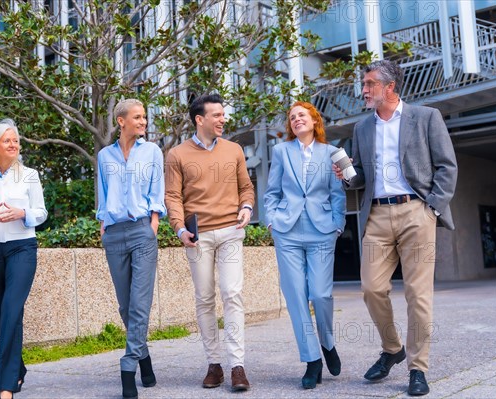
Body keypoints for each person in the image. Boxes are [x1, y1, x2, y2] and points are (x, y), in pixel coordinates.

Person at [334, 60, 458, 396]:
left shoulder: (425, 117)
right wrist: (345, 174)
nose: (364, 90)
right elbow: (359, 176)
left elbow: (447, 166)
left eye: (370, 83)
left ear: (390, 86)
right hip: (376, 214)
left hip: (416, 211)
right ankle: (393, 349)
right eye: (364, 84)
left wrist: (431, 207)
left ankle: (418, 369)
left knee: (419, 294)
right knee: (371, 288)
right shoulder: (362, 128)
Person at [165, 94, 254, 391]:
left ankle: (237, 365)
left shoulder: (234, 150)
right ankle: (214, 364)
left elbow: (246, 188)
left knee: (232, 293)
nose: (222, 120)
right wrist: (179, 228)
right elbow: (173, 196)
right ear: (199, 119)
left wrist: (246, 208)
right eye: (216, 115)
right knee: (204, 298)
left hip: (230, 231)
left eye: (223, 115)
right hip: (198, 236)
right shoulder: (177, 154)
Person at [264, 101, 346, 389]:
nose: (297, 119)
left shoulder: (333, 152)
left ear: (314, 120)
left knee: (321, 294)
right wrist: (272, 221)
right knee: (296, 295)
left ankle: (327, 343)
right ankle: (312, 361)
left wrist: (338, 224)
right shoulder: (281, 151)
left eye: (302, 115)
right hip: (287, 230)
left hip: (322, 230)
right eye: (292, 117)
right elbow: (272, 191)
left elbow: (339, 192)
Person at [0, 120, 48, 399]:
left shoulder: (29, 175)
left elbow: (41, 213)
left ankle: (5, 388)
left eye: (16, 140)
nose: (14, 144)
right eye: (8, 141)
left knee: (11, 311)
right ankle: (18, 369)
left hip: (22, 249)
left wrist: (21, 214)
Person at [96, 99, 166, 399]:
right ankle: (144, 358)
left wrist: (152, 223)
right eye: (137, 117)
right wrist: (103, 225)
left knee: (139, 304)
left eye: (145, 117)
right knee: (126, 306)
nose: (143, 122)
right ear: (121, 121)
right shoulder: (104, 156)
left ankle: (128, 365)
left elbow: (157, 189)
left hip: (141, 232)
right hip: (113, 234)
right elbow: (103, 192)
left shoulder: (152, 152)